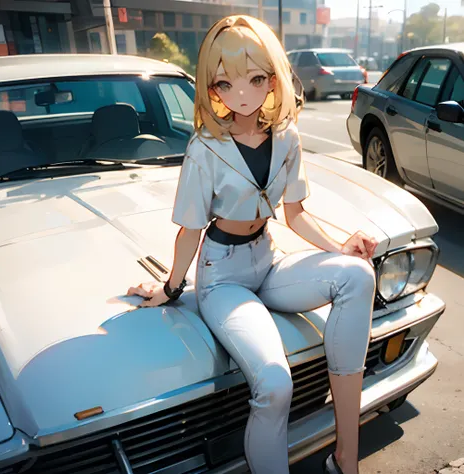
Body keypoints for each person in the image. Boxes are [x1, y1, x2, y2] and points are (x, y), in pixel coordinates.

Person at [127, 14, 378, 474]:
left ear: (273, 79)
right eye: (225, 83)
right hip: (222, 277)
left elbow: (295, 214)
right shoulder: (205, 147)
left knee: (358, 274)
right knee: (275, 383)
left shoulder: (287, 137)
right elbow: (190, 230)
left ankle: (346, 455)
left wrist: (342, 246)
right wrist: (172, 287)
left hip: (269, 261)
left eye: (256, 78)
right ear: (213, 88)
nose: (242, 93)